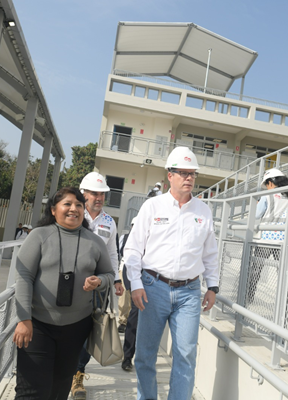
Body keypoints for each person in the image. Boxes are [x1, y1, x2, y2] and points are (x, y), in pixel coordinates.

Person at [125, 147, 219, 400]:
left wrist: (213, 286)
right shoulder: (152, 206)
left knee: (186, 355)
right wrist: (136, 283)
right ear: (170, 175)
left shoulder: (203, 211)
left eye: (192, 174)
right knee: (145, 354)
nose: (189, 178)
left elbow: (210, 253)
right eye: (183, 173)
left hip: (189, 292)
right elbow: (133, 249)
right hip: (153, 287)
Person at [13, 187, 114, 400]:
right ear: (53, 210)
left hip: (76, 328)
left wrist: (99, 281)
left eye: (78, 205)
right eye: (67, 204)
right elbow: (24, 277)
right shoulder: (39, 236)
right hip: (37, 326)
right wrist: (24, 319)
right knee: (30, 391)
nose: (73, 209)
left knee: (59, 390)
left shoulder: (95, 242)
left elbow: (109, 274)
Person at [71, 172, 124, 400]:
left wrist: (116, 280)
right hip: (70, 283)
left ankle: (77, 375)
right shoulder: (73, 214)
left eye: (102, 194)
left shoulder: (109, 222)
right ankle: (59, 369)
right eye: (94, 193)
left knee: (89, 330)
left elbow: (112, 253)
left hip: (98, 286)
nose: (99, 197)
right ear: (83, 193)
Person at [247, 168, 288, 305]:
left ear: (271, 182)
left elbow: (256, 215)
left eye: (267, 184)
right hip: (283, 240)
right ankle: (283, 302)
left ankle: (248, 298)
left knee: (256, 270)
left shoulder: (267, 195)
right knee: (284, 272)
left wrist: (256, 204)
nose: (267, 187)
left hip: (266, 238)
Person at [119, 218, 139, 372]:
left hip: (156, 285)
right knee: (134, 319)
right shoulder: (129, 239)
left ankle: (144, 359)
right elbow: (126, 262)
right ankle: (127, 358)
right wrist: (133, 288)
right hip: (135, 281)